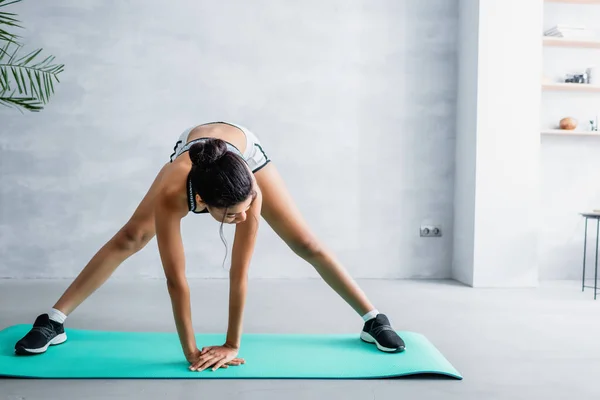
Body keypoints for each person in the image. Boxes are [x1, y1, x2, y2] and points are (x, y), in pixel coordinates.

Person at [14, 121, 405, 371]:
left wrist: (232, 344)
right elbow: (176, 281)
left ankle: (374, 320)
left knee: (305, 242)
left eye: (245, 210)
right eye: (230, 216)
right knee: (131, 237)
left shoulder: (250, 191)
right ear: (200, 203)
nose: (241, 219)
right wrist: (191, 352)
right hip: (198, 155)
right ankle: (53, 321)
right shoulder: (173, 190)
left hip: (241, 151)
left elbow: (240, 272)